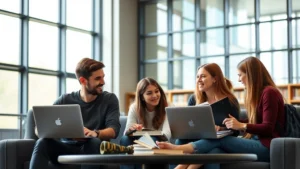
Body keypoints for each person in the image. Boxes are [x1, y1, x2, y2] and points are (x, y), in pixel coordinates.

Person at [157, 56, 285, 169]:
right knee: (214, 147)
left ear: (251, 74)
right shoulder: (260, 94)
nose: (239, 80)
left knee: (221, 140)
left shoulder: (269, 93)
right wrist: (230, 124)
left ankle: (177, 150)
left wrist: (241, 125)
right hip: (258, 142)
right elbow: (256, 121)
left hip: (267, 146)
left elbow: (268, 127)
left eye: (240, 75)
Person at [29, 58, 121, 169]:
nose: (103, 82)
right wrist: (49, 131)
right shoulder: (65, 99)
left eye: (103, 77)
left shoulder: (109, 99)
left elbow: (113, 130)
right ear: (83, 81)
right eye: (98, 78)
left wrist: (94, 133)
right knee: (42, 142)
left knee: (94, 142)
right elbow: (39, 129)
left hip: (94, 148)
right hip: (66, 149)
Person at [174, 63, 240, 169]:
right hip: (196, 139)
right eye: (197, 77)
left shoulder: (230, 101)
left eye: (203, 76)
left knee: (214, 151)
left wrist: (222, 127)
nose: (199, 80)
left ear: (215, 79)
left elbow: (236, 131)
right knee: (179, 141)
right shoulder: (194, 99)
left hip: (219, 142)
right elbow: (189, 123)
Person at [120, 77, 171, 169]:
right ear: (142, 97)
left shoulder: (168, 107)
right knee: (125, 140)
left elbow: (167, 135)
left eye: (157, 91)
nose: (155, 95)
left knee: (152, 139)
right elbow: (125, 133)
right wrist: (132, 129)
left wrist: (144, 133)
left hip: (159, 143)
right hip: (139, 142)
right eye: (149, 93)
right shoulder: (134, 107)